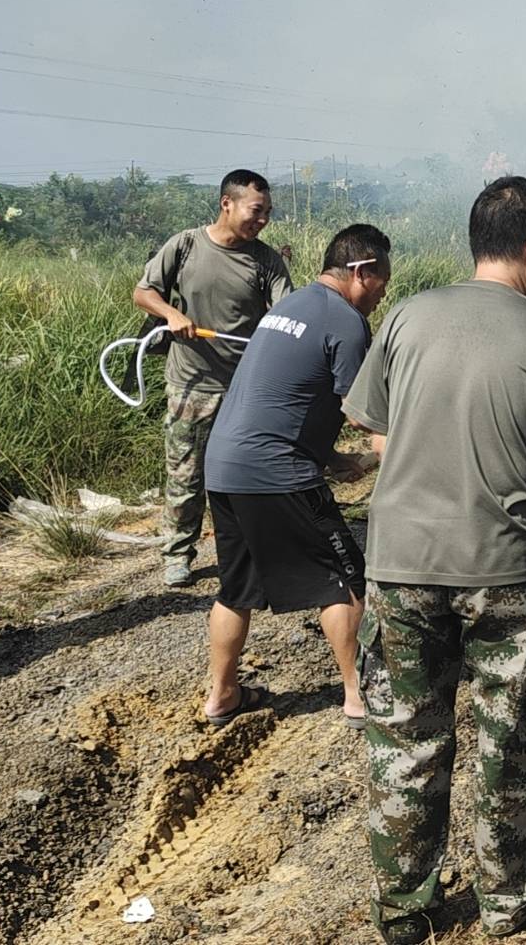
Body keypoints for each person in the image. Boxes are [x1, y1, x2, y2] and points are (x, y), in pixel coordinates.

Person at [343, 176, 526, 944]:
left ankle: (403, 912)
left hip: (398, 565)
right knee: (507, 741)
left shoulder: (403, 317)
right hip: (500, 572)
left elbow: (379, 436)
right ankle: (506, 901)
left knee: (407, 741)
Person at [198, 223, 391, 729]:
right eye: (380, 283)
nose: (379, 296)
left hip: (224, 465)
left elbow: (281, 395)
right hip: (277, 471)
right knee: (344, 579)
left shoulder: (287, 308)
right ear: (361, 271)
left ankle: (221, 696)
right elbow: (365, 414)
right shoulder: (346, 322)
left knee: (235, 588)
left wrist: (328, 457)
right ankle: (359, 695)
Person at [132, 169, 294, 587]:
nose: (262, 221)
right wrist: (171, 315)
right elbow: (143, 292)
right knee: (186, 474)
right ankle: (177, 555)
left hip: (246, 387)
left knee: (249, 473)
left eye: (267, 213)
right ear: (227, 203)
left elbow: (286, 315)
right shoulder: (185, 245)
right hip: (191, 385)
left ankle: (253, 549)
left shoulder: (266, 261)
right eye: (256, 211)